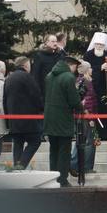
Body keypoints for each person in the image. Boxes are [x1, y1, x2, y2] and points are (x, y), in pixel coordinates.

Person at [43, 55, 83, 187]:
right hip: (63, 119)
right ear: (71, 65)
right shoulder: (68, 77)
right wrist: (81, 107)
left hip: (50, 118)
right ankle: (62, 179)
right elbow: (73, 100)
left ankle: (52, 177)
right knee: (64, 151)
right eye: (75, 67)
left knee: (53, 150)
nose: (75, 70)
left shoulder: (49, 76)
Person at [2, 55, 45, 170]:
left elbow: (4, 100)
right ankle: (20, 166)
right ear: (25, 65)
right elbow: (36, 96)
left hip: (13, 120)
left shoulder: (9, 79)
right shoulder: (27, 77)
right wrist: (42, 109)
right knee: (35, 141)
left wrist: (7, 119)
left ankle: (17, 167)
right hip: (28, 120)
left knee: (18, 143)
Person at [31, 33, 63, 101]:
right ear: (46, 42)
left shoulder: (59, 55)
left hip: (59, 92)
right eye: (53, 41)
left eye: (56, 41)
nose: (55, 43)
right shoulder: (39, 56)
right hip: (45, 92)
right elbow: (35, 75)